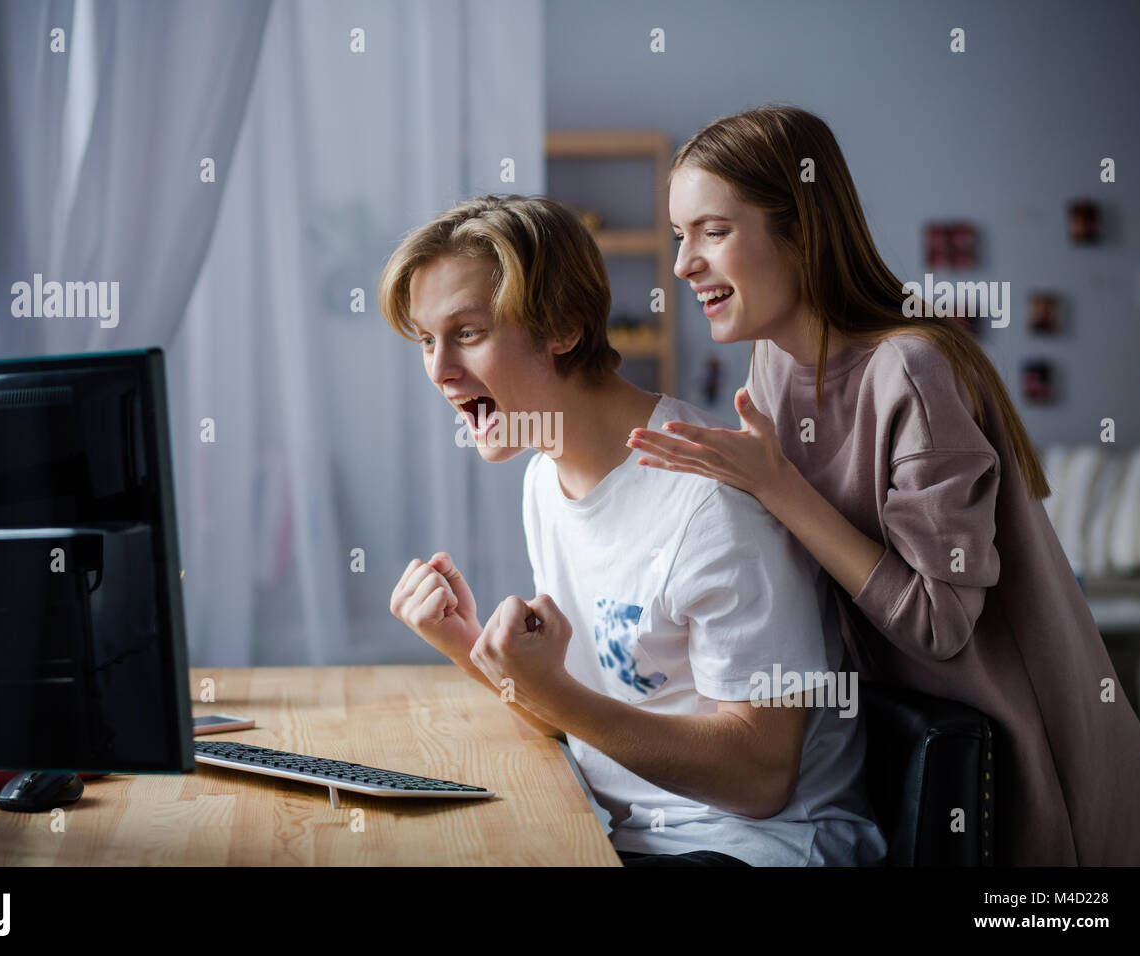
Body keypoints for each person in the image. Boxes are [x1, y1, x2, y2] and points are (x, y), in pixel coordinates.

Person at [633, 104, 1140, 865]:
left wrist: (779, 488)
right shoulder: (773, 368)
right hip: (906, 756)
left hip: (1023, 775)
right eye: (681, 236)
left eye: (713, 231)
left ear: (803, 230)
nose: (683, 264)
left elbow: (937, 622)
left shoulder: (911, 368)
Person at [378, 195, 887, 866]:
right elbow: (585, 719)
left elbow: (762, 778)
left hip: (754, 848)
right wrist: (467, 645)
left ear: (562, 326)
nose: (440, 371)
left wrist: (550, 688)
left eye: (467, 332)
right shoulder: (545, 478)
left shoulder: (711, 501)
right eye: (425, 339)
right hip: (618, 834)